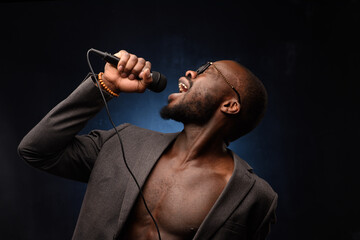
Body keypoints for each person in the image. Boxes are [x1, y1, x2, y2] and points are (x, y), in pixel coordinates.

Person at [18, 50, 277, 240]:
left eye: (207, 69)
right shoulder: (123, 141)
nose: (190, 72)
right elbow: (37, 150)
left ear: (230, 105)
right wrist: (105, 86)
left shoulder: (254, 197)